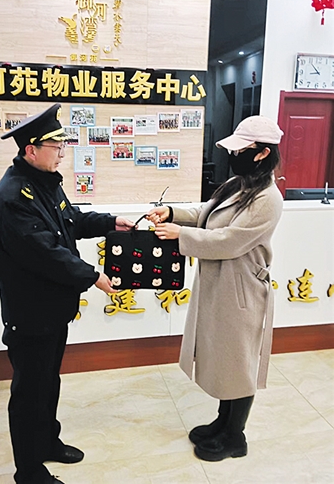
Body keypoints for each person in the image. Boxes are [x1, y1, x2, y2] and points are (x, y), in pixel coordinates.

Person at [0, 103, 134, 484]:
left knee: (49, 383)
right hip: (30, 315)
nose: (63, 153)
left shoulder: (46, 183)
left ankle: (47, 443)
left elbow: (72, 221)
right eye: (56, 147)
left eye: (63, 146)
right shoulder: (13, 197)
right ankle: (29, 471)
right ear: (31, 150)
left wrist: (111, 222)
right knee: (29, 393)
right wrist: (94, 276)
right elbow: (46, 254)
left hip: (53, 311)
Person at [147, 115, 284, 462]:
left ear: (262, 153)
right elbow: (207, 213)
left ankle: (235, 437)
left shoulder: (268, 197)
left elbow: (229, 240)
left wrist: (180, 235)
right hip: (222, 284)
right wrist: (172, 212)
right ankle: (223, 423)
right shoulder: (241, 185)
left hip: (241, 290)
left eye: (241, 150)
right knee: (225, 359)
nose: (233, 156)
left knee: (238, 363)